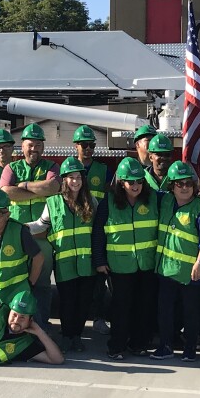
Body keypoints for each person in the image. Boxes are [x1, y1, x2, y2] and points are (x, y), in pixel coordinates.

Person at [27, 157, 97, 353]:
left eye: (78, 177)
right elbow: (40, 225)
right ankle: (66, 337)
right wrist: (20, 227)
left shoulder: (91, 202)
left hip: (87, 263)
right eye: (71, 177)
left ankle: (77, 337)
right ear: (64, 180)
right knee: (67, 302)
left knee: (83, 303)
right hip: (64, 263)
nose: (75, 181)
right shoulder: (53, 202)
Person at [93, 158, 159, 359]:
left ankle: (138, 344)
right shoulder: (108, 202)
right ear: (121, 182)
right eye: (131, 182)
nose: (136, 185)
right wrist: (99, 260)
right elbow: (98, 233)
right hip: (119, 265)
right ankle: (117, 346)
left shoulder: (154, 198)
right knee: (121, 307)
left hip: (147, 263)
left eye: (139, 181)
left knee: (144, 305)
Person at [150, 161, 200, 362]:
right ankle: (165, 346)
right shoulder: (164, 201)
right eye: (179, 184)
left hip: (190, 272)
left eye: (188, 183)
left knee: (191, 313)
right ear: (171, 186)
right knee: (164, 311)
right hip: (166, 270)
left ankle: (190, 349)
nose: (184, 187)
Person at [0, 123, 60, 320]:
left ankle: (41, 327)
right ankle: (14, 329)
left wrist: (23, 186)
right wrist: (37, 189)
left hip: (43, 238)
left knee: (42, 287)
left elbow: (52, 188)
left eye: (38, 145)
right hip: (17, 238)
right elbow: (6, 192)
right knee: (16, 283)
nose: (33, 149)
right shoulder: (11, 167)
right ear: (22, 146)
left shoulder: (51, 167)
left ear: (43, 146)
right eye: (29, 145)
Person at [72, 125, 113, 336]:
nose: (88, 149)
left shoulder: (104, 170)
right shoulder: (69, 168)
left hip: (97, 231)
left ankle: (98, 317)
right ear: (76, 146)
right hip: (75, 232)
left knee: (98, 278)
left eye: (91, 145)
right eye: (84, 145)